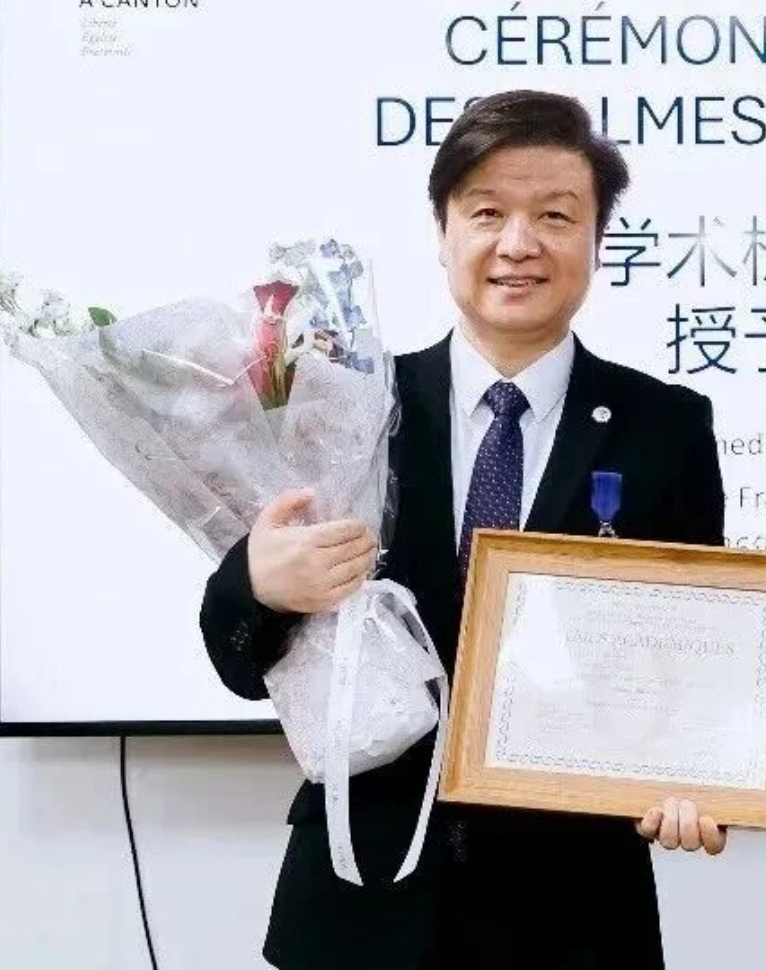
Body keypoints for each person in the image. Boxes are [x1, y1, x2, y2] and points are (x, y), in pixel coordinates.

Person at [199, 89, 729, 970]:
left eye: (555, 216)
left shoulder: (665, 427)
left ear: (597, 239)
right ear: (443, 233)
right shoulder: (348, 408)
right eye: (487, 213)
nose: (518, 244)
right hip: (362, 904)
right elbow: (238, 664)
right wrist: (261, 585)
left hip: (573, 914)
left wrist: (697, 773)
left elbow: (692, 658)